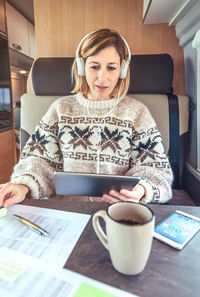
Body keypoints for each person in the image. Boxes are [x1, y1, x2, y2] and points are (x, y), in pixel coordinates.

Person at [0, 28, 173, 207]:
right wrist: (23, 185)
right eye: (94, 66)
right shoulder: (60, 109)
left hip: (119, 212)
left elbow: (156, 169)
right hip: (66, 212)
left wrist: (142, 190)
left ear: (122, 70)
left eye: (111, 68)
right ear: (82, 67)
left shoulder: (137, 113)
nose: (102, 77)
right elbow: (38, 161)